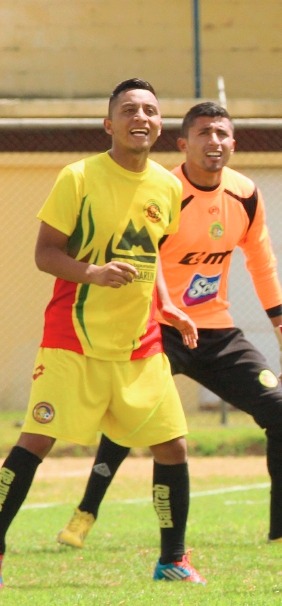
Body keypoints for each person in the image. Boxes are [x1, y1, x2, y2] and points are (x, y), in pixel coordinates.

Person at [56, 101, 282, 549]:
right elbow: (142, 255)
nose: (214, 141)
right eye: (203, 133)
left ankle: (280, 530)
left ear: (233, 143)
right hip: (159, 327)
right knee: (133, 419)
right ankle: (84, 514)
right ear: (182, 144)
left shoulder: (246, 194)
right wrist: (163, 307)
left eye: (222, 133)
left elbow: (262, 264)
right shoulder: (164, 190)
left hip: (216, 331)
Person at [0, 79, 204, 586]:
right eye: (129, 109)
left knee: (173, 447)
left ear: (160, 125)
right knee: (36, 440)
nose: (141, 117)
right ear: (108, 124)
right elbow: (45, 254)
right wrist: (92, 273)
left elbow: (150, 256)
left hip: (140, 343)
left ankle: (172, 560)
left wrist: (168, 306)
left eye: (150, 110)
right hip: (73, 338)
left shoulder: (168, 187)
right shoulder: (78, 177)